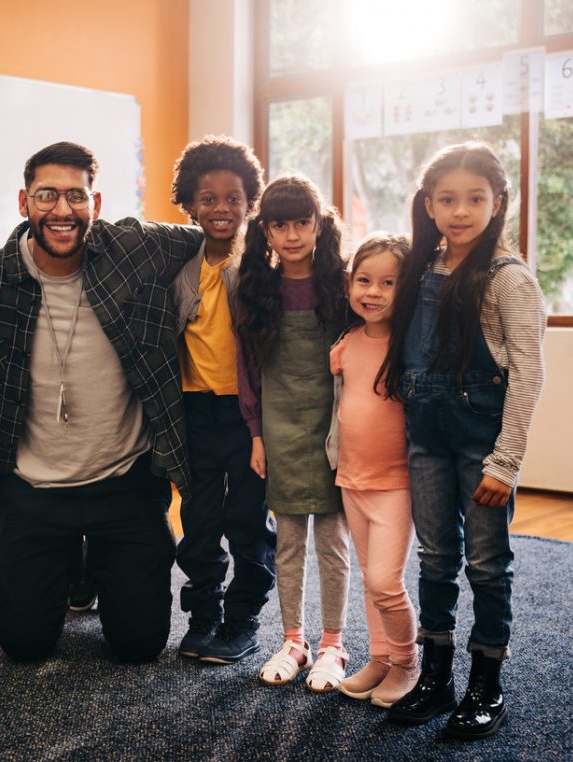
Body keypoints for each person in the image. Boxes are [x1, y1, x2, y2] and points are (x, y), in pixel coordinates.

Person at [0, 141, 203, 663]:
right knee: (23, 646)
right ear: (24, 202)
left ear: (95, 205)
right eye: (48, 195)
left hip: (127, 483)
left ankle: (95, 566)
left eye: (76, 196)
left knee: (140, 646)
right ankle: (71, 566)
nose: (62, 210)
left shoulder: (135, 249)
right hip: (34, 491)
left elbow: (213, 233)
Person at [382, 142, 546, 740]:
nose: (460, 210)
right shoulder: (421, 271)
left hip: (483, 445)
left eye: (475, 198)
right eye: (447, 199)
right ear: (428, 205)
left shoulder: (508, 278)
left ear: (498, 203)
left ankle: (486, 681)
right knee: (434, 560)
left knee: (486, 563)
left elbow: (530, 371)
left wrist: (505, 462)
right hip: (425, 439)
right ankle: (436, 677)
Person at [235, 175, 352, 692]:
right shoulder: (254, 286)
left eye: (302, 222)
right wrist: (256, 434)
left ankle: (333, 644)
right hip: (278, 429)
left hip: (336, 428)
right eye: (279, 224)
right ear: (265, 230)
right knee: (287, 543)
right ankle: (293, 641)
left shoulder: (344, 284)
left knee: (332, 541)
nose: (292, 234)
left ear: (319, 223)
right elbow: (247, 367)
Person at [167, 136, 276, 664]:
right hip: (194, 412)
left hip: (248, 415)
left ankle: (243, 618)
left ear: (250, 203)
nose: (221, 209)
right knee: (201, 520)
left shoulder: (262, 265)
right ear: (189, 203)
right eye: (207, 198)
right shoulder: (178, 265)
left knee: (248, 521)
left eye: (234, 198)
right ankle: (204, 613)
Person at [327, 234, 419, 707]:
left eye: (388, 283)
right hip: (351, 478)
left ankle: (407, 663)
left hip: (395, 483)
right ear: (349, 284)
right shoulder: (346, 344)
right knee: (369, 578)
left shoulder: (411, 347)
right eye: (364, 280)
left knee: (386, 580)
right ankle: (380, 658)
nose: (374, 291)